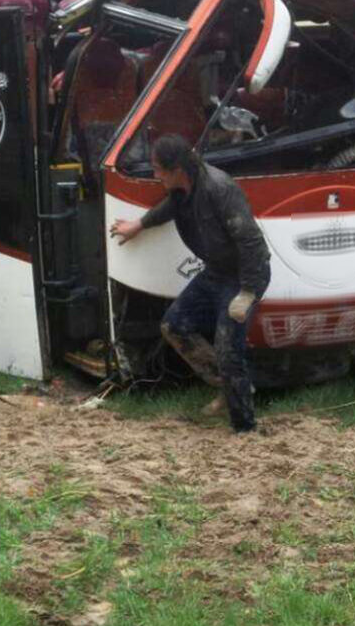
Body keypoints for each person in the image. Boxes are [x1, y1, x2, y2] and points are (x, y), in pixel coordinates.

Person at [109, 135, 270, 433]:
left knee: (228, 351)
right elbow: (171, 207)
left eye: (158, 170)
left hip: (242, 275)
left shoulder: (218, 189)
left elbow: (251, 243)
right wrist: (139, 225)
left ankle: (245, 428)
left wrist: (247, 292)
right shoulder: (185, 187)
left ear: (176, 169)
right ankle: (228, 387)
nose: (155, 176)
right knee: (174, 326)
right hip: (217, 271)